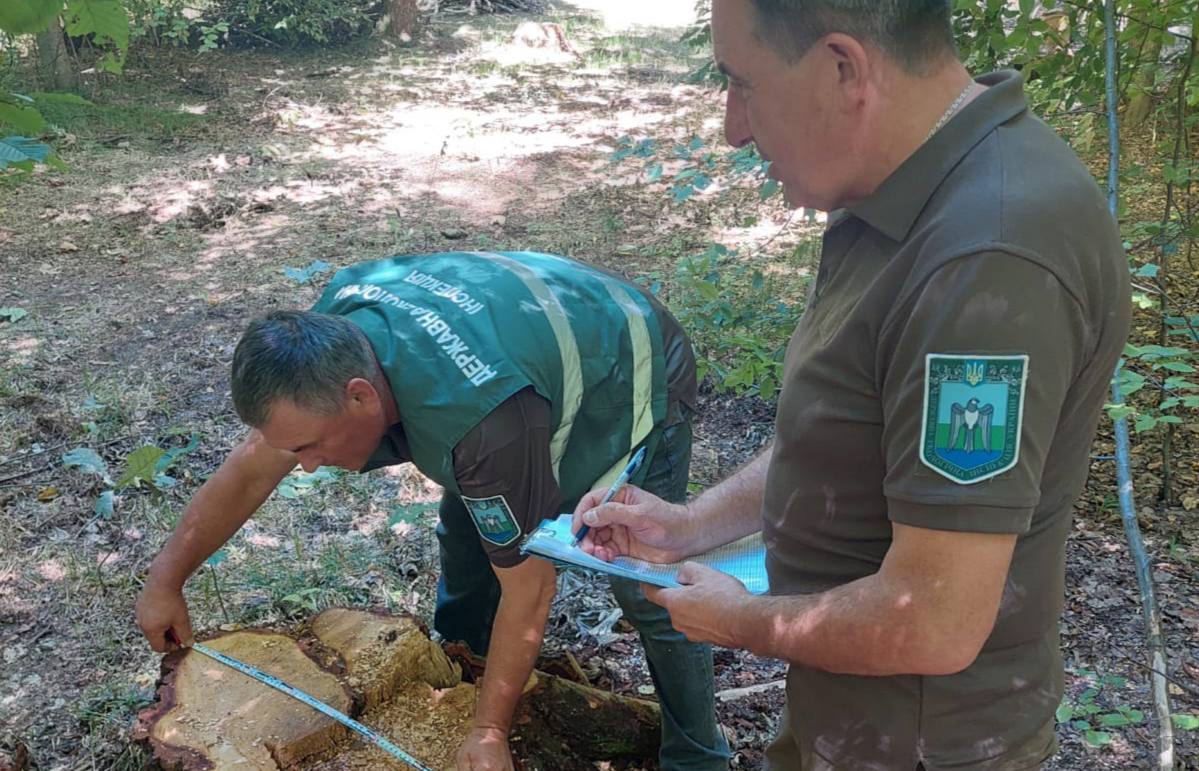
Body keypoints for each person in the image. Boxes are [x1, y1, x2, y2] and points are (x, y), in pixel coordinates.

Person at [572, 1, 1131, 769]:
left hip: (922, 741)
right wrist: (688, 526)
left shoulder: (988, 255)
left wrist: (739, 620)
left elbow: (933, 618)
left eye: (741, 83)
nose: (733, 127)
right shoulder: (900, 186)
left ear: (843, 69)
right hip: (855, 714)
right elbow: (852, 433)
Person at [134, 251, 731, 771]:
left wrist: (490, 733)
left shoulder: (481, 424)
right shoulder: (331, 339)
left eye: (311, 446)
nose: (307, 466)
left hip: (627, 359)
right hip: (520, 356)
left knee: (642, 574)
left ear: (361, 396)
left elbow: (531, 589)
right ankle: (465, 664)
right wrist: (166, 580)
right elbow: (251, 466)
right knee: (472, 527)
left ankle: (698, 753)